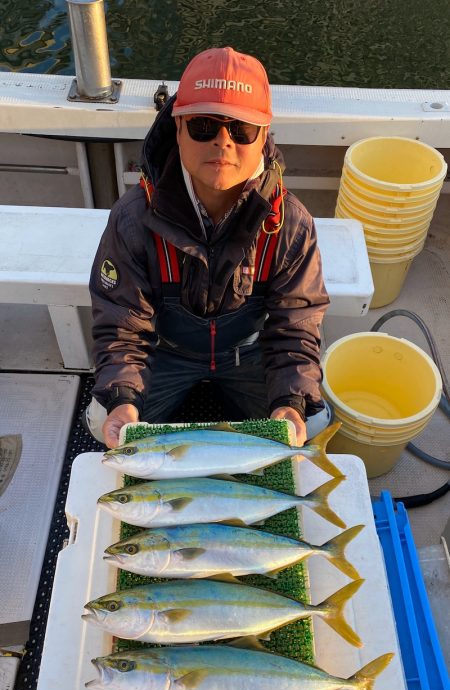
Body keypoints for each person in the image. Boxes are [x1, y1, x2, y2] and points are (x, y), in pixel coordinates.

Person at [85, 46, 330, 450]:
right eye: (203, 125)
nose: (222, 142)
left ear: (264, 135)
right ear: (177, 127)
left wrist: (289, 401)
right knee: (103, 421)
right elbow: (122, 327)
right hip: (166, 355)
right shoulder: (133, 219)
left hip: (247, 356)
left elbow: (295, 326)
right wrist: (123, 398)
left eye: (240, 129)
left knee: (314, 421)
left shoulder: (290, 224)